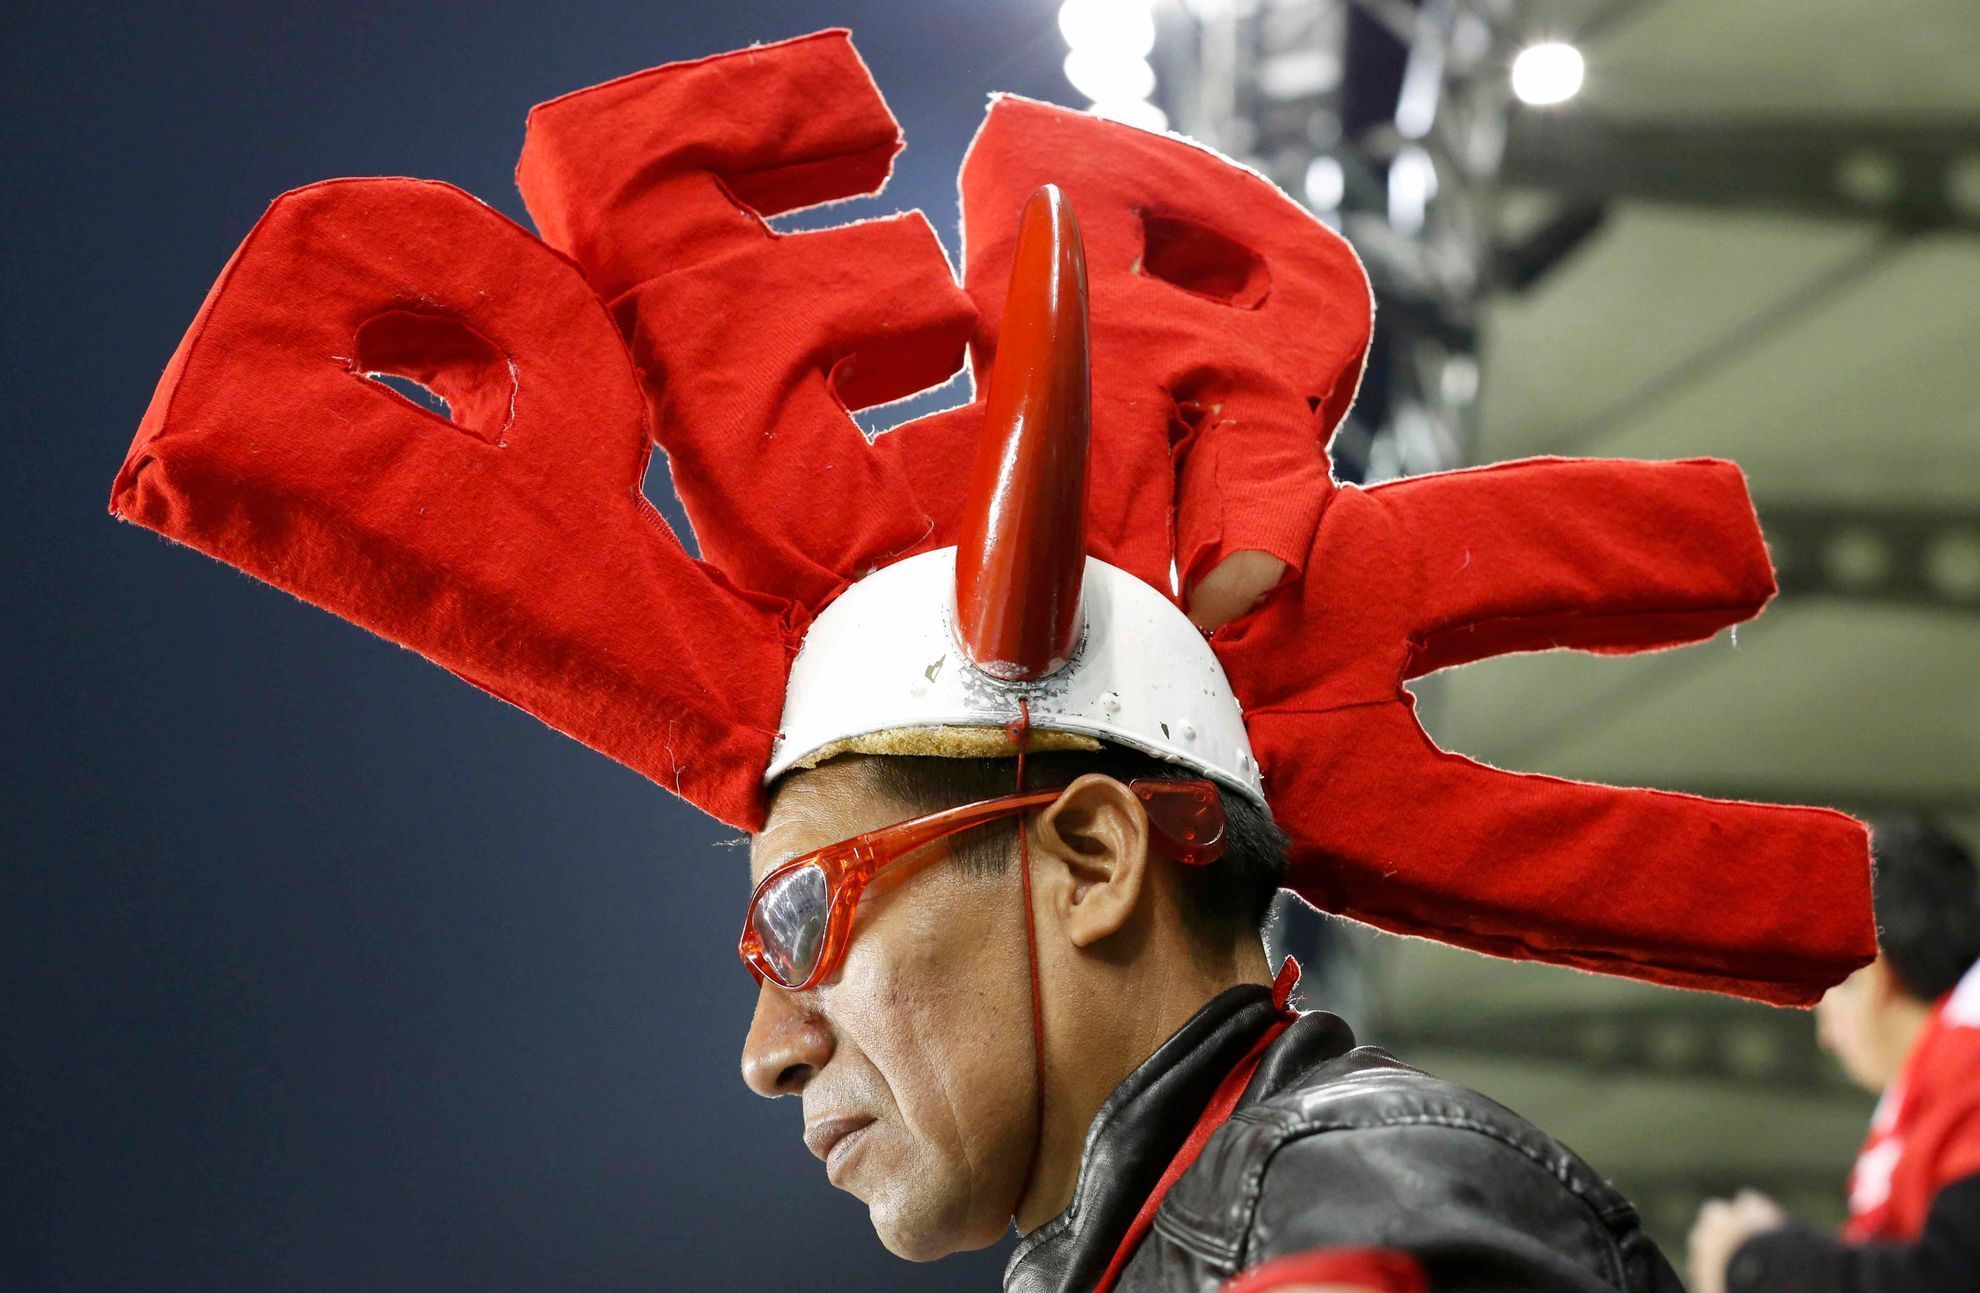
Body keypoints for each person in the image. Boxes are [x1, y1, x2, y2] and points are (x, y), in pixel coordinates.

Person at [109, 30, 1878, 1291]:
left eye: (801, 918)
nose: (766, 1050)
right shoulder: (1207, 1211)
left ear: (1094, 856)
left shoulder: (1351, 1195)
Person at [1688, 818, 1980, 1293]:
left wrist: (1757, 1263)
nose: (1826, 1035)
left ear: (1874, 975)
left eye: (1830, 988)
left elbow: (1950, 1276)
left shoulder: (1970, 1066)